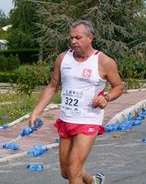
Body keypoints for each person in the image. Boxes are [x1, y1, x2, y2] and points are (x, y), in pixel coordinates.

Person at [29, 20, 124, 184]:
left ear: (90, 37)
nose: (73, 41)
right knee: (66, 172)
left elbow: (119, 87)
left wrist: (106, 97)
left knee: (74, 171)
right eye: (71, 38)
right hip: (66, 119)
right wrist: (37, 111)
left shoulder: (104, 61)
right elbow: (52, 86)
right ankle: (93, 181)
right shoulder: (62, 59)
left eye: (78, 37)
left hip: (89, 119)